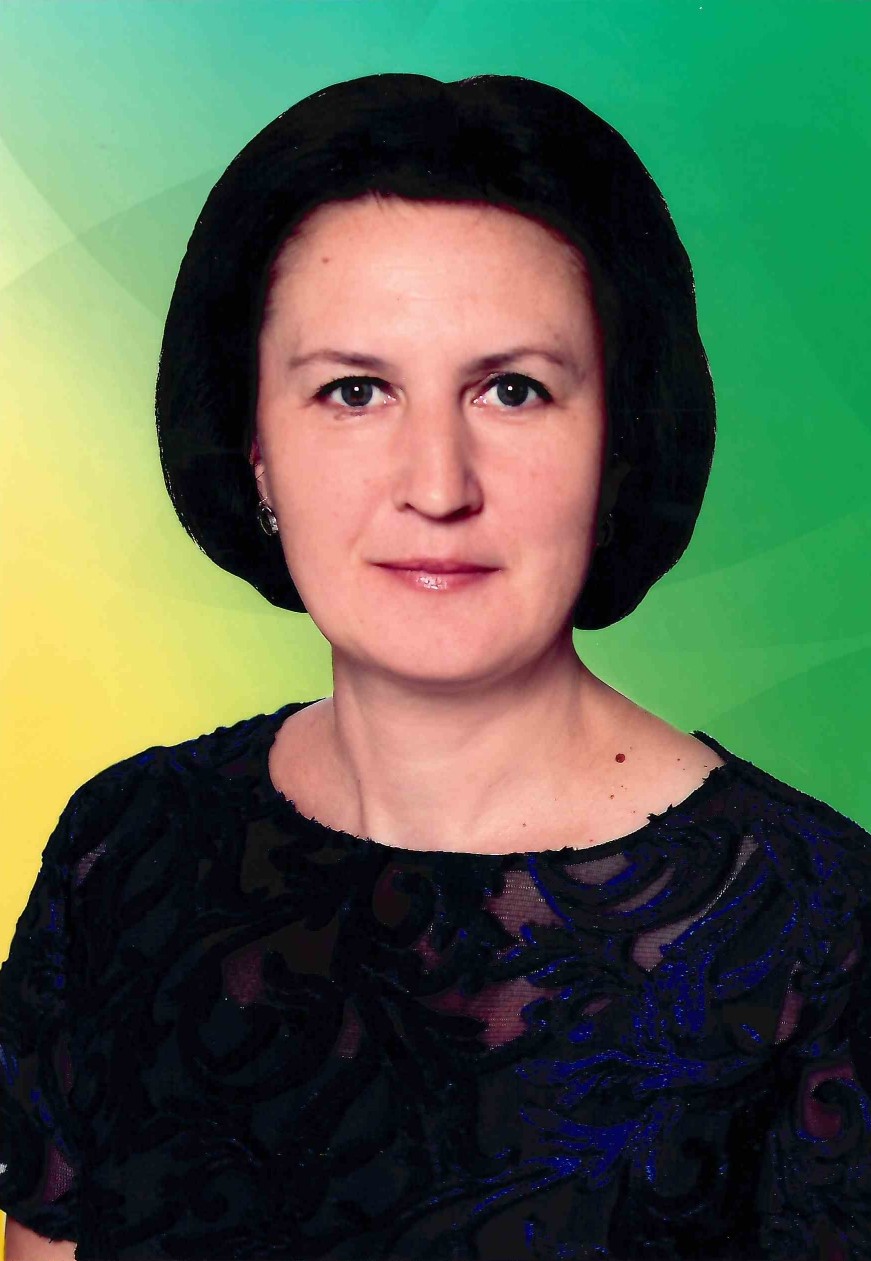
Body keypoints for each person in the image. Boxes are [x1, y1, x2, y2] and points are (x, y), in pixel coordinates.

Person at [1, 72, 869, 1261]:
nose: (437, 484)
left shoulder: (818, 932)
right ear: (255, 447)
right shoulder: (123, 849)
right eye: (354, 391)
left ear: (619, 437)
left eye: (513, 390)